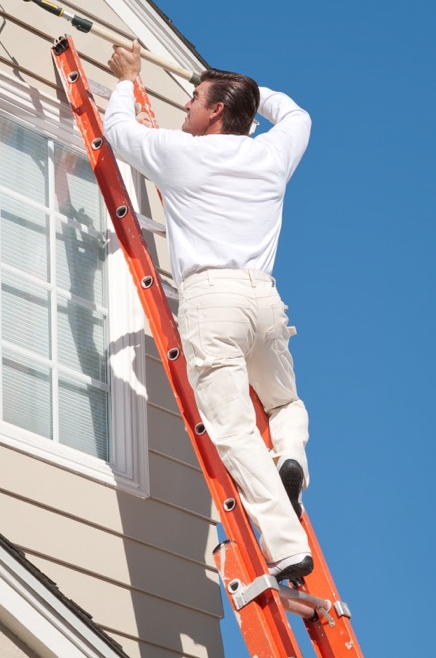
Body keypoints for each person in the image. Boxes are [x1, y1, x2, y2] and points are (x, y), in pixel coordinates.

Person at [104, 40, 314, 583]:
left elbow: (120, 132)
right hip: (265, 299)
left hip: (212, 300)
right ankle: (290, 456)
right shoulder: (271, 155)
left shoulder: (183, 153)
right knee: (284, 403)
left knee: (234, 431)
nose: (186, 108)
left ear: (217, 111)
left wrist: (128, 77)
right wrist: (249, 89)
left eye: (195, 98)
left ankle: (288, 547)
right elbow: (295, 114)